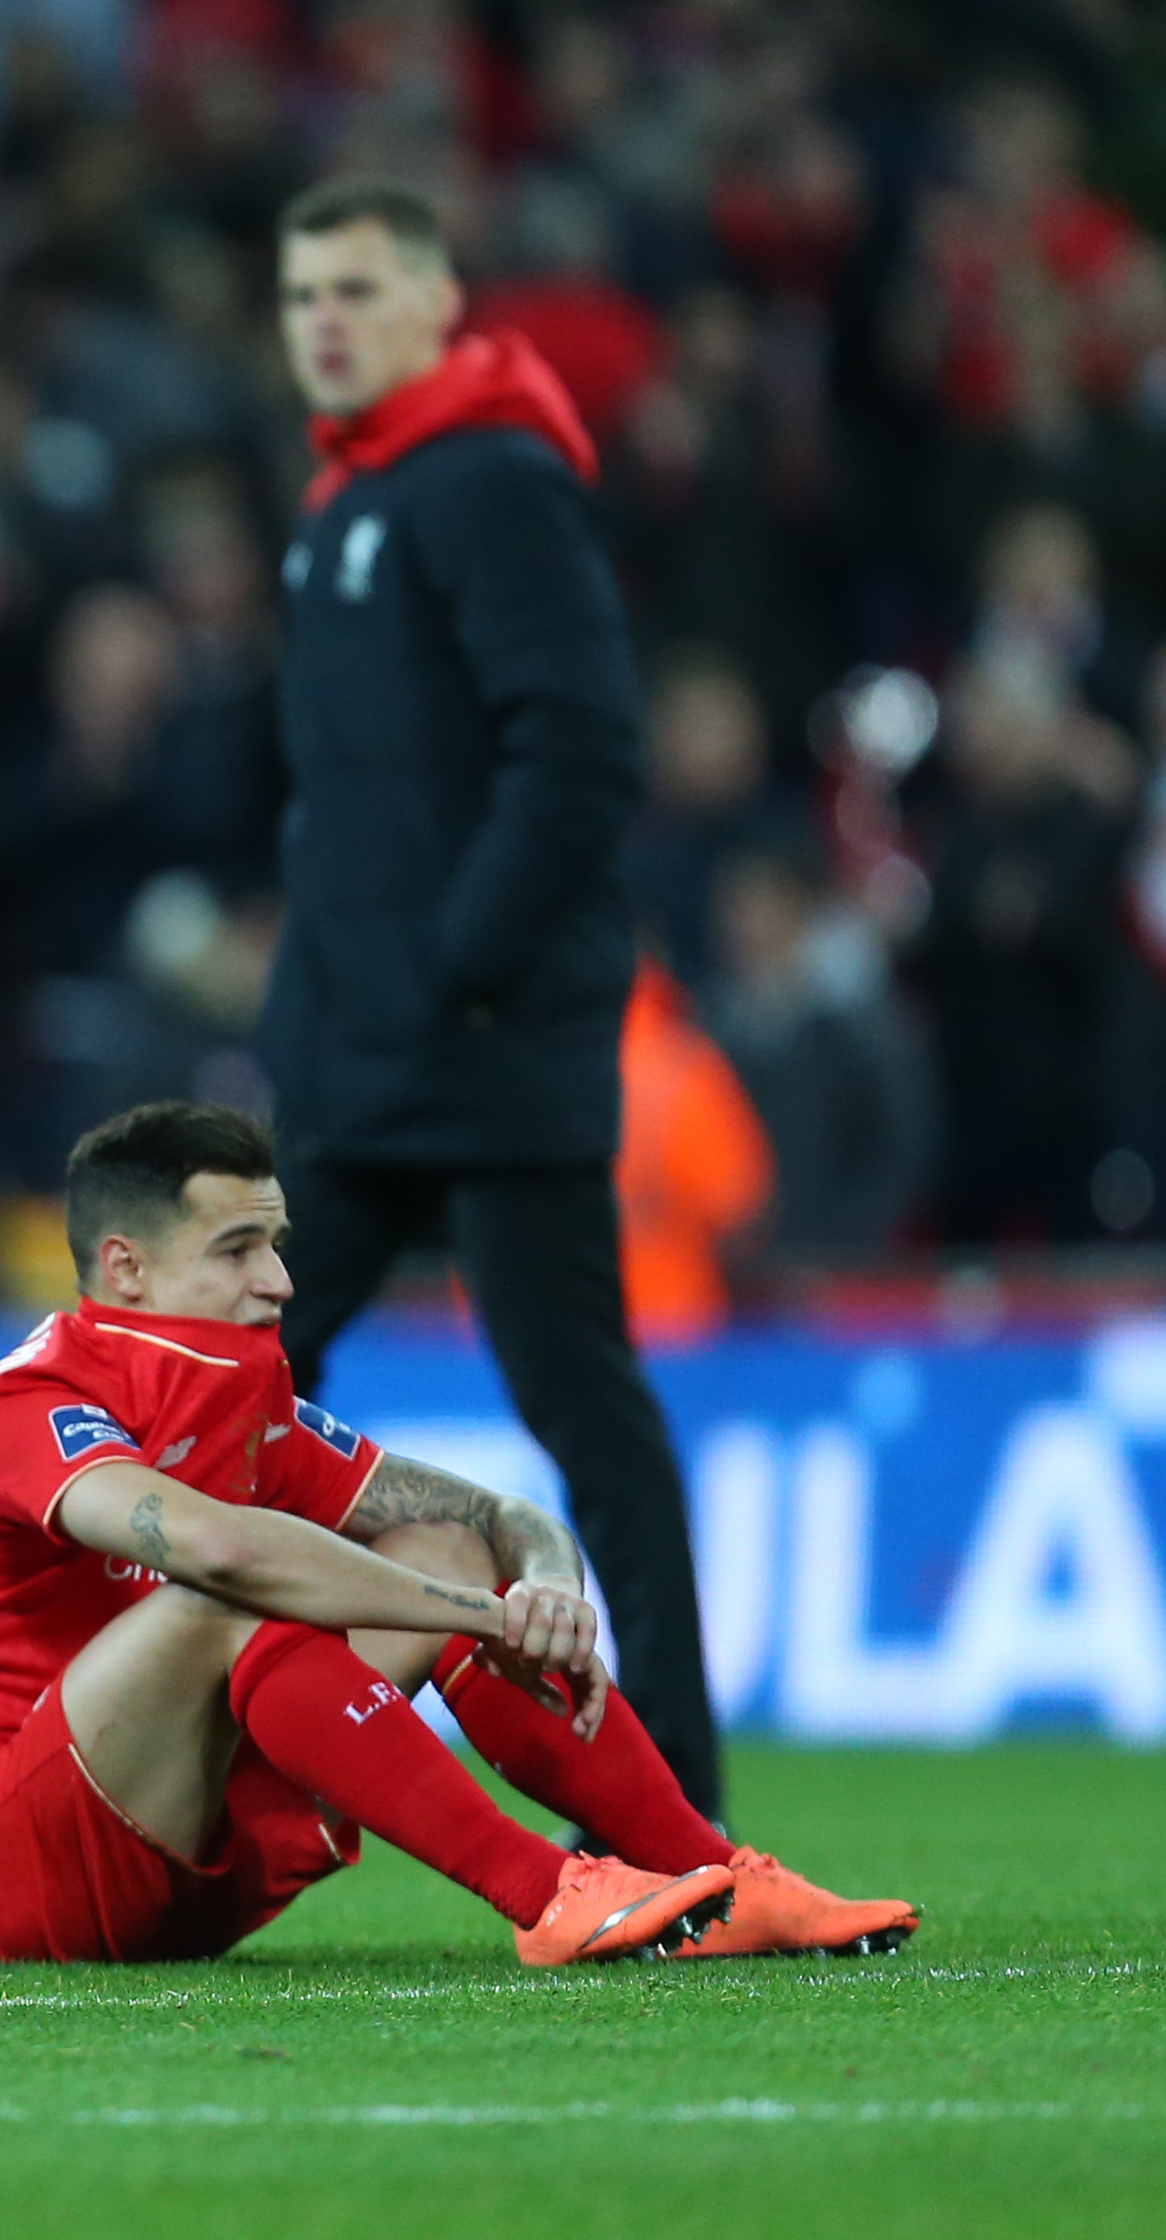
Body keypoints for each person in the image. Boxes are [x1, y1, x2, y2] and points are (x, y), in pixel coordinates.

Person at [0, 1101, 912, 1969]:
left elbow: (490, 1517)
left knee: (439, 1548)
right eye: (236, 1250)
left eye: (274, 1245)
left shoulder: (243, 1397)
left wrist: (539, 1582)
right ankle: (547, 1894)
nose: (276, 1280)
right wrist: (476, 1617)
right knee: (233, 1592)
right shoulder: (27, 1406)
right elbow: (218, 1552)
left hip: (176, 1856)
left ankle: (720, 1879)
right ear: (125, 1270)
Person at [259, 172, 729, 1820]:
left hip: (480, 1039)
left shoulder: (487, 484)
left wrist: (459, 962)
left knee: (573, 1404)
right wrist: (312, 1007)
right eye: (298, 290)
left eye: (353, 287)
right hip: (361, 1050)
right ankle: (199, 1752)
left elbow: (581, 745)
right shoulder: (342, 504)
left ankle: (674, 1788)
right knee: (237, 1383)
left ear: (433, 305)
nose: (320, 317)